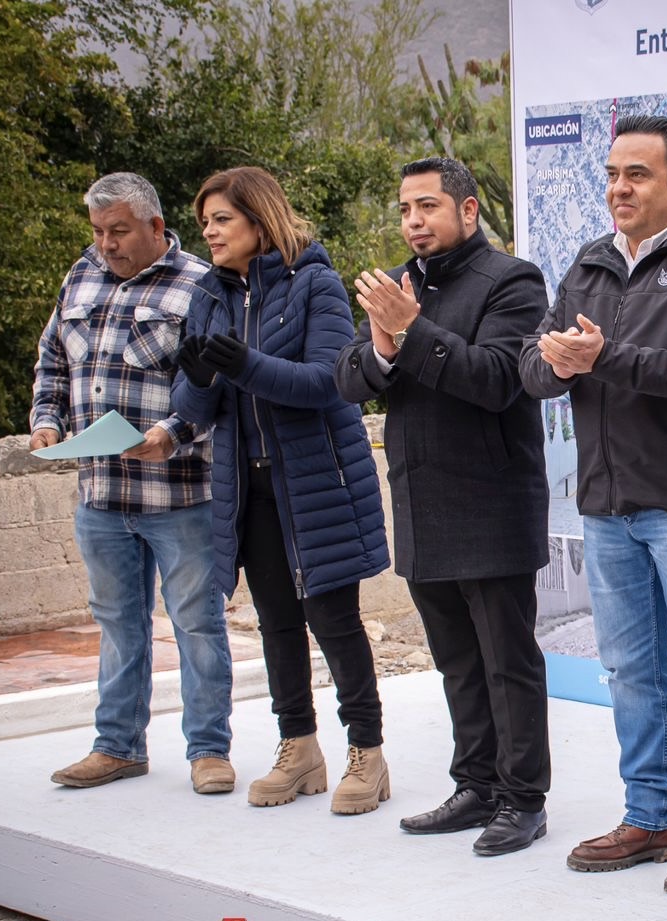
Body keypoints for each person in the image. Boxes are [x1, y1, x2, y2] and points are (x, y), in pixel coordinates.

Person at [519, 116, 667, 894]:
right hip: (604, 504)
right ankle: (651, 814)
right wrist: (550, 364)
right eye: (613, 174)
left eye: (637, 174)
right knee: (629, 672)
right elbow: (533, 364)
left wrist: (603, 357)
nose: (618, 188)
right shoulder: (587, 261)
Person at [335, 157, 553, 856]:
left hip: (490, 503)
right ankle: (476, 783)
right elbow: (349, 378)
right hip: (421, 502)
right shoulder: (401, 285)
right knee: (456, 661)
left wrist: (412, 329)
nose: (412, 222)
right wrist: (381, 339)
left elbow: (496, 379)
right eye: (404, 209)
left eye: (426, 206)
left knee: (506, 661)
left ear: (466, 212)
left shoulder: (512, 281)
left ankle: (523, 798)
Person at [171, 166, 392, 815]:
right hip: (247, 486)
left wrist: (241, 364)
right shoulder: (209, 296)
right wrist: (200, 379)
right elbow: (196, 411)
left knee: (332, 619)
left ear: (259, 220)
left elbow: (325, 383)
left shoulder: (315, 283)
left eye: (221, 220)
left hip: (316, 482)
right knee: (274, 623)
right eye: (205, 221)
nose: (208, 231)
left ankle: (368, 753)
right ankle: (299, 747)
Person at [32, 172, 234, 796]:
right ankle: (118, 747)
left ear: (154, 226)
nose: (107, 244)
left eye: (118, 231)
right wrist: (46, 421)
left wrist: (173, 432)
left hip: (177, 498)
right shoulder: (81, 275)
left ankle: (208, 750)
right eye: (97, 232)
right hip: (100, 496)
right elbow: (53, 361)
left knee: (197, 624)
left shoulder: (201, 283)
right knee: (118, 625)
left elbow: (217, 385)